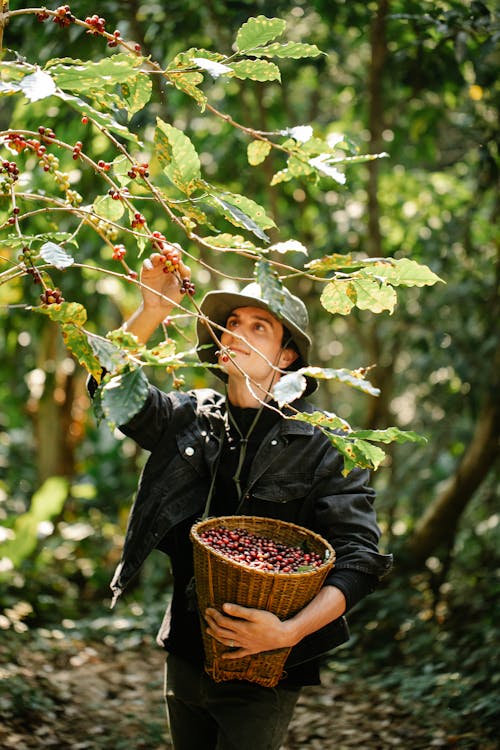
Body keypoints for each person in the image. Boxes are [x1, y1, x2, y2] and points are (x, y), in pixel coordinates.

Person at [93, 248, 392, 750]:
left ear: (287, 355)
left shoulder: (326, 443)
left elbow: (361, 558)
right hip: (187, 648)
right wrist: (150, 312)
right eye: (233, 322)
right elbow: (110, 391)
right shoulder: (189, 417)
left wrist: (288, 632)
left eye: (260, 327)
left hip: (267, 667)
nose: (237, 333)